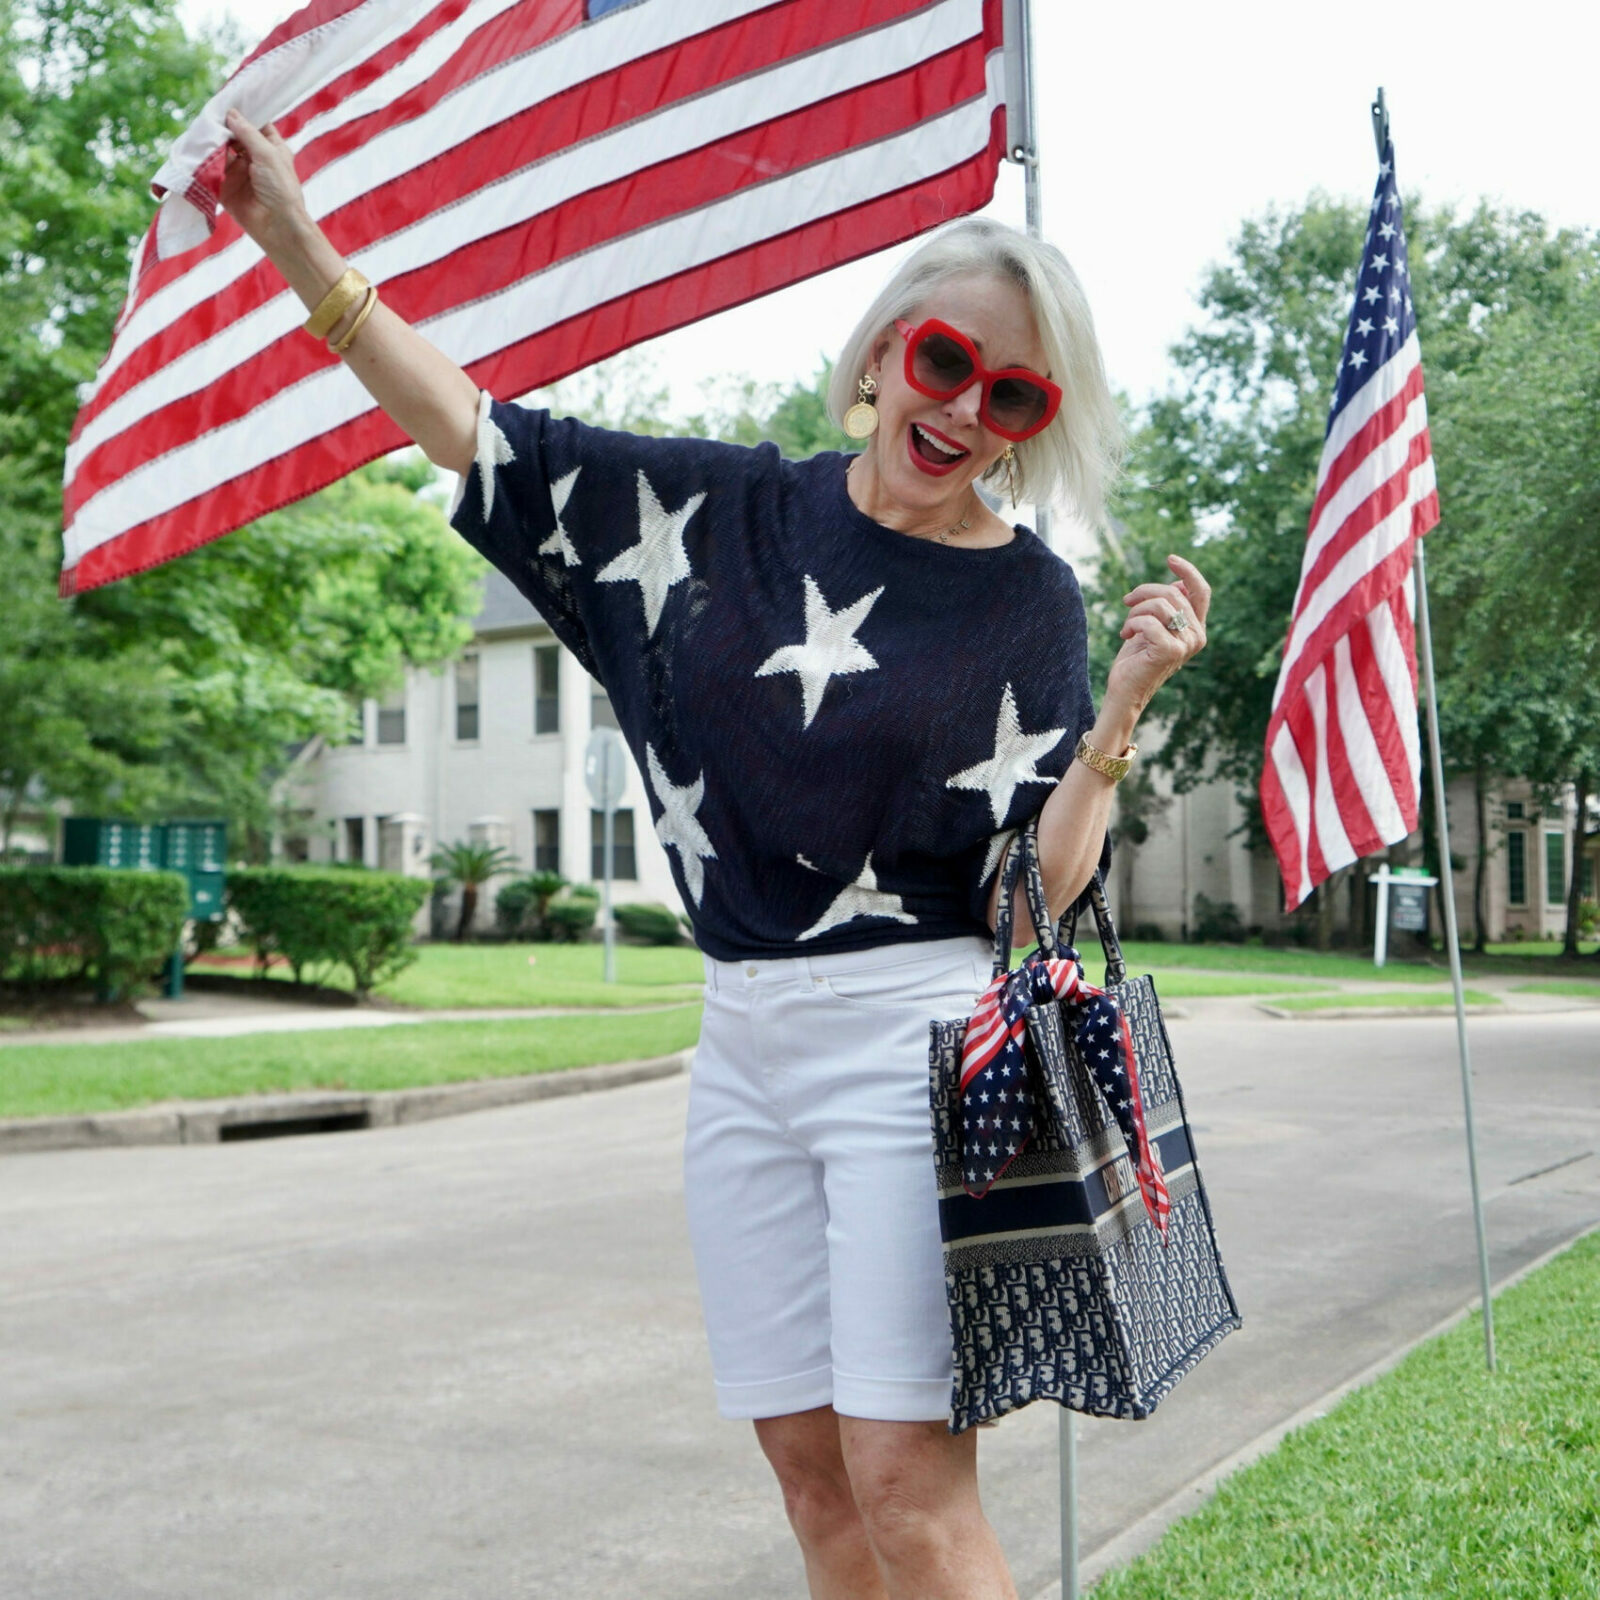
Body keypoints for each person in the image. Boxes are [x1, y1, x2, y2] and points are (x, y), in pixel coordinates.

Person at [220, 108, 1209, 1600]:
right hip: (740, 1041)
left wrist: (1119, 713)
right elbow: (478, 433)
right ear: (882, 353)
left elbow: (1029, 896)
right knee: (815, 1485)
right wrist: (297, 237)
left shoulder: (1029, 603)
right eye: (943, 362)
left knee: (910, 1492)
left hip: (914, 1043)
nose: (961, 412)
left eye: (1012, 395)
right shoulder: (725, 513)